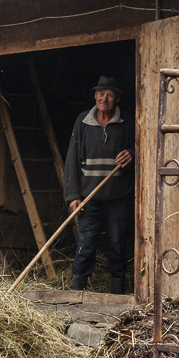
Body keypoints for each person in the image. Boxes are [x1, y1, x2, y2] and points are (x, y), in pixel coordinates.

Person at [63, 76, 135, 294]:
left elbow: (144, 147)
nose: (105, 98)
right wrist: (73, 196)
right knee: (86, 245)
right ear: (95, 96)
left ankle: (117, 293)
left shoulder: (128, 122)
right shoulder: (82, 121)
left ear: (117, 99)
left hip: (118, 196)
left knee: (117, 244)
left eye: (110, 94)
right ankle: (78, 293)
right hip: (89, 197)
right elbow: (72, 159)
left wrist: (133, 154)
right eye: (101, 93)